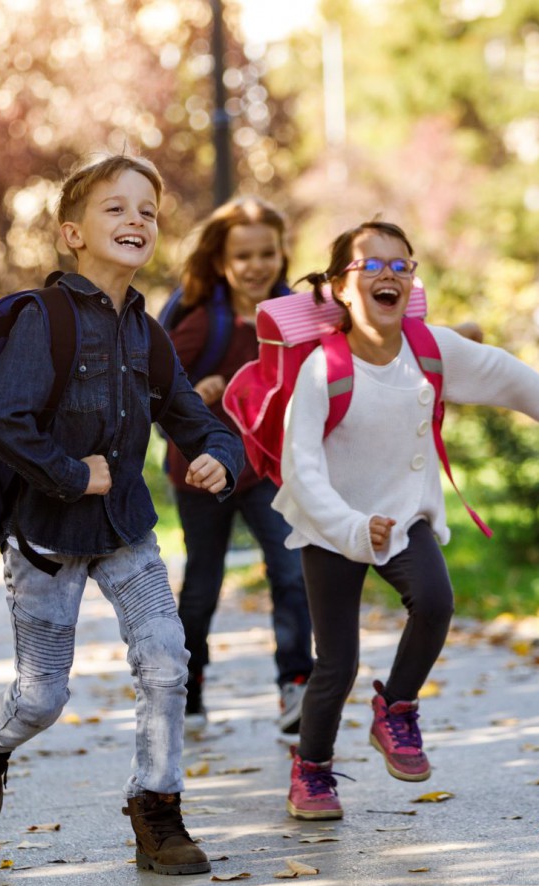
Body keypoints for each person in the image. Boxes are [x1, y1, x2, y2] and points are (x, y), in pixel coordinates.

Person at [0, 154, 244, 876]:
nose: (136, 220)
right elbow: (2, 417)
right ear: (71, 234)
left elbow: (192, 415)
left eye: (147, 209)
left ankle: (158, 809)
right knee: (42, 698)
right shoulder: (44, 320)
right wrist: (70, 473)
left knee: (167, 662)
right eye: (116, 208)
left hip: (126, 531)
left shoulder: (146, 333)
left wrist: (220, 456)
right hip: (45, 538)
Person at [274, 220, 539, 821]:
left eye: (401, 264)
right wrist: (347, 526)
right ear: (342, 287)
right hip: (333, 526)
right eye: (370, 265)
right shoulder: (322, 370)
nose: (388, 274)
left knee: (437, 600)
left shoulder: (430, 349)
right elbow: (302, 469)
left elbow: (502, 373)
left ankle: (396, 707)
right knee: (335, 665)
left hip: (404, 516)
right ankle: (312, 770)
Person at [165, 196, 314, 734]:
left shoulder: (298, 315)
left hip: (268, 469)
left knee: (291, 571)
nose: (256, 265)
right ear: (222, 261)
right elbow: (157, 387)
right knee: (203, 583)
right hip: (202, 469)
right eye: (243, 255)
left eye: (267, 253)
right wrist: (194, 394)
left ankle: (295, 684)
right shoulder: (205, 322)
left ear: (282, 254)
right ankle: (190, 684)